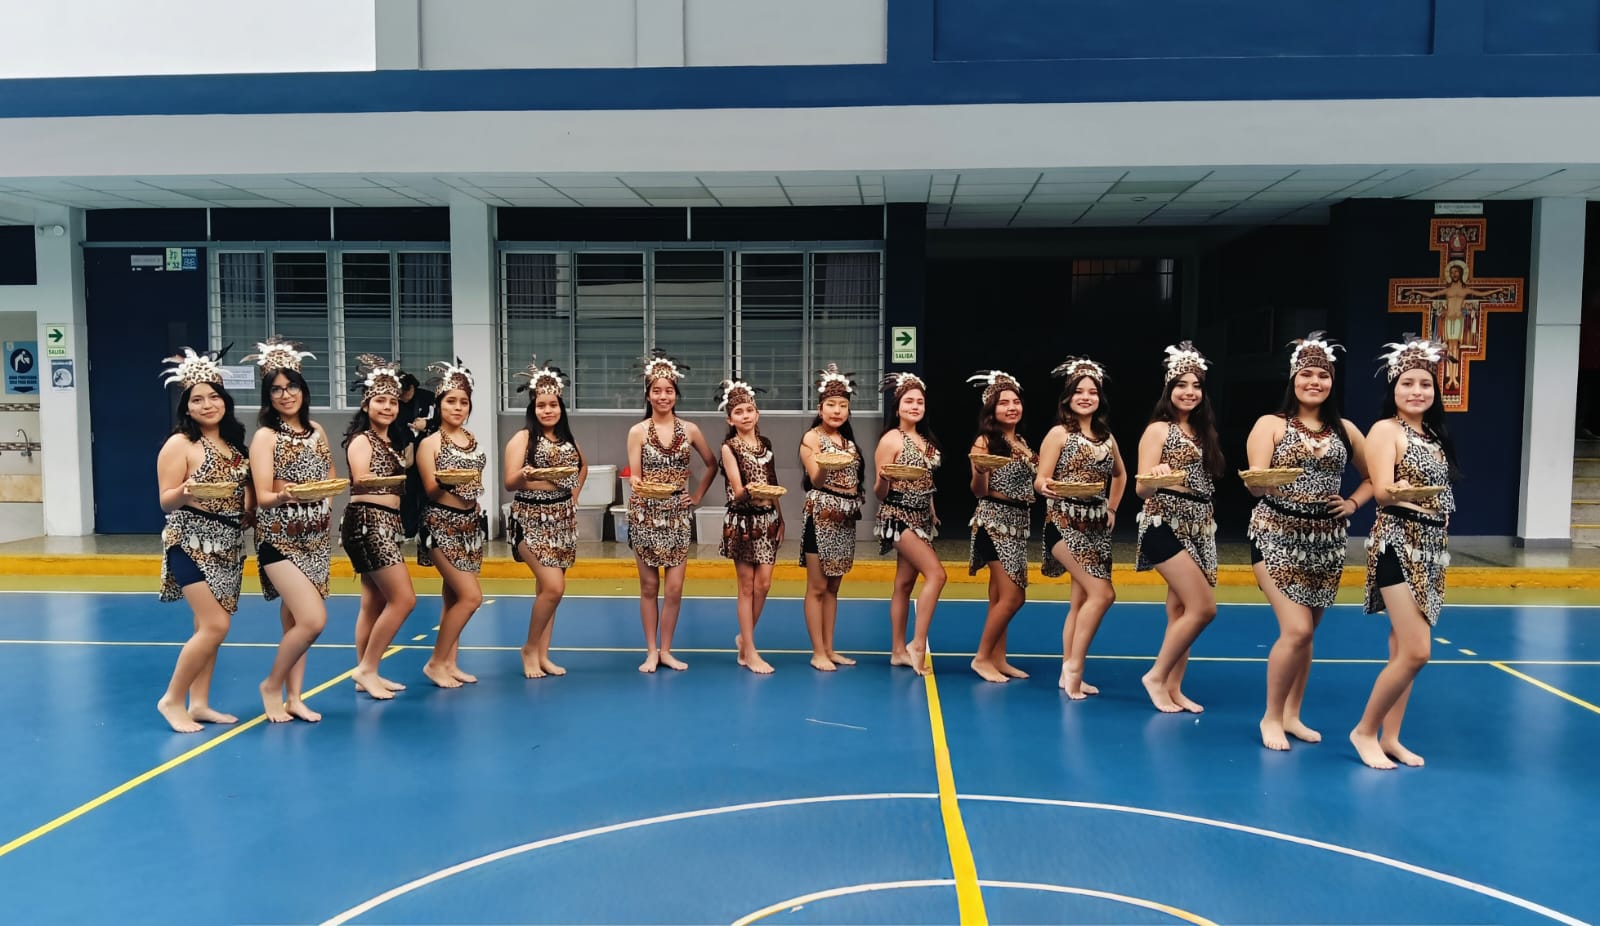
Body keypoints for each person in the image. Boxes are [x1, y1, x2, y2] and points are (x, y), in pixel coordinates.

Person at [1245, 333, 1372, 750]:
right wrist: (1263, 482)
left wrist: (1352, 502)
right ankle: (1270, 717)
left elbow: (1375, 477)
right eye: (1306, 374)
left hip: (1327, 543)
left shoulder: (1346, 430)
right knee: (1296, 630)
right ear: (1293, 378)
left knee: (1308, 633)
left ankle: (1292, 714)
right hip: (1276, 534)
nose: (1314, 382)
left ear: (1332, 381)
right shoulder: (1270, 424)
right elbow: (1255, 483)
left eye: (1323, 375)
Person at [1350, 335, 1460, 770]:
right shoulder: (1385, 430)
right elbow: (1381, 492)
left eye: (1425, 384)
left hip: (1431, 549)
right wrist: (1411, 496)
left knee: (1402, 650)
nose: (1417, 391)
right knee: (1417, 651)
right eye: (1407, 383)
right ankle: (1364, 731)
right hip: (1398, 543)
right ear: (1393, 389)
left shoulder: (1432, 434)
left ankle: (1391, 737)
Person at [154, 347, 253, 733]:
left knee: (206, 628)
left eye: (214, 397)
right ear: (187, 407)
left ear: (225, 401)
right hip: (190, 540)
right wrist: (187, 490)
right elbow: (166, 500)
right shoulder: (179, 444)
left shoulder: (235, 445)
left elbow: (242, 491)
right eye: (197, 399)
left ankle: (199, 703)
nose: (207, 404)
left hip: (229, 542)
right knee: (215, 625)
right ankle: (172, 699)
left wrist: (249, 510)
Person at [243, 337, 333, 723]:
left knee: (295, 621)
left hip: (316, 537)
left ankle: (294, 697)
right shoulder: (266, 436)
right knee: (313, 620)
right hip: (279, 537)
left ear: (303, 389)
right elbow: (263, 495)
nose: (285, 395)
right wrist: (287, 495)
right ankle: (271, 685)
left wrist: (323, 494)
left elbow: (329, 473)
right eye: (276, 389)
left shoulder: (317, 430)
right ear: (268, 397)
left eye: (291, 386)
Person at [1135, 342, 1224, 713]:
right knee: (1203, 608)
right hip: (1164, 523)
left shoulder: (1203, 432)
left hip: (1199, 526)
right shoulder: (1159, 429)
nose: (1190, 392)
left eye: (1196, 385)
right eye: (1181, 385)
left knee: (1180, 611)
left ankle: (1174, 687)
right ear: (1168, 389)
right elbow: (1141, 489)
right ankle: (1156, 677)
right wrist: (1155, 476)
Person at [1036, 357, 1126, 699]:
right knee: (1103, 594)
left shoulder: (1106, 437)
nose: (1086, 397)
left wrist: (1112, 507)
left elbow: (1120, 475)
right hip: (1063, 522)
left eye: (1092, 392)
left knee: (1080, 601)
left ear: (1100, 398)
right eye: (1079, 391)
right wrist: (1045, 487)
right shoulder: (1059, 433)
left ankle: (1067, 671)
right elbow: (1041, 478)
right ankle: (1074, 669)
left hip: (1096, 527)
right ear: (1068, 397)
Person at [626, 349, 719, 672]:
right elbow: (635, 473)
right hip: (646, 514)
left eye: (668, 390)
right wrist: (637, 483)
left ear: (676, 394)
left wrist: (696, 496)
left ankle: (666, 649)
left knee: (675, 588)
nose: (663, 396)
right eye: (657, 390)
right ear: (648, 395)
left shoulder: (690, 430)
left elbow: (712, 464)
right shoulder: (637, 431)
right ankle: (651, 651)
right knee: (649, 587)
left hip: (678, 515)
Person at [504, 358, 587, 679]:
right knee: (554, 587)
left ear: (560, 406)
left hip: (562, 521)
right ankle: (528, 648)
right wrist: (528, 475)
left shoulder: (567, 440)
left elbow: (582, 466)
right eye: (541, 405)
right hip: (530, 519)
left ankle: (542, 654)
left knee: (547, 593)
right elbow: (510, 482)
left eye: (553, 405)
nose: (547, 410)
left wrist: (573, 496)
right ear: (533, 407)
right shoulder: (523, 438)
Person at [340, 354, 417, 700]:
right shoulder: (362, 439)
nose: (387, 407)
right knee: (404, 599)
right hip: (367, 521)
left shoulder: (391, 441)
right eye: (380, 400)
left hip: (387, 523)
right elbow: (361, 479)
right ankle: (367, 668)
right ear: (366, 404)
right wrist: (393, 480)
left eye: (392, 402)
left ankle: (365, 673)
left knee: (372, 602)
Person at [416, 359, 488, 689]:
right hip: (440, 523)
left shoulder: (471, 439)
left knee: (453, 598)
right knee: (471, 597)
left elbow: (476, 482)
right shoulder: (430, 443)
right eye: (451, 401)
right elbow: (431, 490)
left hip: (469, 526)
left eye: (463, 402)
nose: (458, 407)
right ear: (439, 404)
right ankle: (435, 663)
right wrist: (451, 481)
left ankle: (449, 662)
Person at [966, 369, 1037, 684]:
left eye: (1015, 401)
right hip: (994, 522)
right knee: (1013, 596)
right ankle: (982, 658)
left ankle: (998, 658)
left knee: (999, 597)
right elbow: (978, 490)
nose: (1011, 407)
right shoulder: (985, 441)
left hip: (1018, 524)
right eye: (1003, 403)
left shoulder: (1021, 441)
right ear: (991, 410)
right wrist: (981, 472)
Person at [873, 372, 945, 676]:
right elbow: (879, 492)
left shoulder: (926, 442)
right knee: (937, 575)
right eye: (909, 401)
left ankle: (897, 652)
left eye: (920, 402)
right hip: (898, 516)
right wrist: (884, 479)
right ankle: (917, 643)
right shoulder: (891, 439)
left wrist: (932, 510)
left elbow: (926, 482)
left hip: (922, 518)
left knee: (903, 585)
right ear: (898, 406)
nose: (915, 406)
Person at [798, 363, 865, 671]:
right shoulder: (811, 438)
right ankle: (817, 652)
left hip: (845, 519)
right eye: (831, 405)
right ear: (820, 408)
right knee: (817, 587)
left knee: (834, 587)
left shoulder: (849, 443)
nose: (837, 411)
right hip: (821, 516)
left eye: (843, 406)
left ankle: (830, 648)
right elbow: (815, 479)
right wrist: (826, 464)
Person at [717, 377, 784, 674]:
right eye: (738, 412)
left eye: (749, 410)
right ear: (730, 419)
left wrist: (780, 516)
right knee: (746, 586)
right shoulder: (729, 447)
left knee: (764, 583)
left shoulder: (765, 444)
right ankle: (750, 650)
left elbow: (773, 482)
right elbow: (737, 488)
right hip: (743, 521)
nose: (745, 416)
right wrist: (753, 491)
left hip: (767, 520)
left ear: (757, 414)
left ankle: (744, 639)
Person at [397, 371, 438, 539]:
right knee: (407, 492)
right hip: (404, 452)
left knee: (427, 490)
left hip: (426, 451)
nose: (403, 397)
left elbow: (440, 421)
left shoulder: (427, 398)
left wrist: (426, 424)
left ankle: (426, 528)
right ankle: (409, 530)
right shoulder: (394, 402)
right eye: (400, 394)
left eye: (406, 392)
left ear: (412, 387)